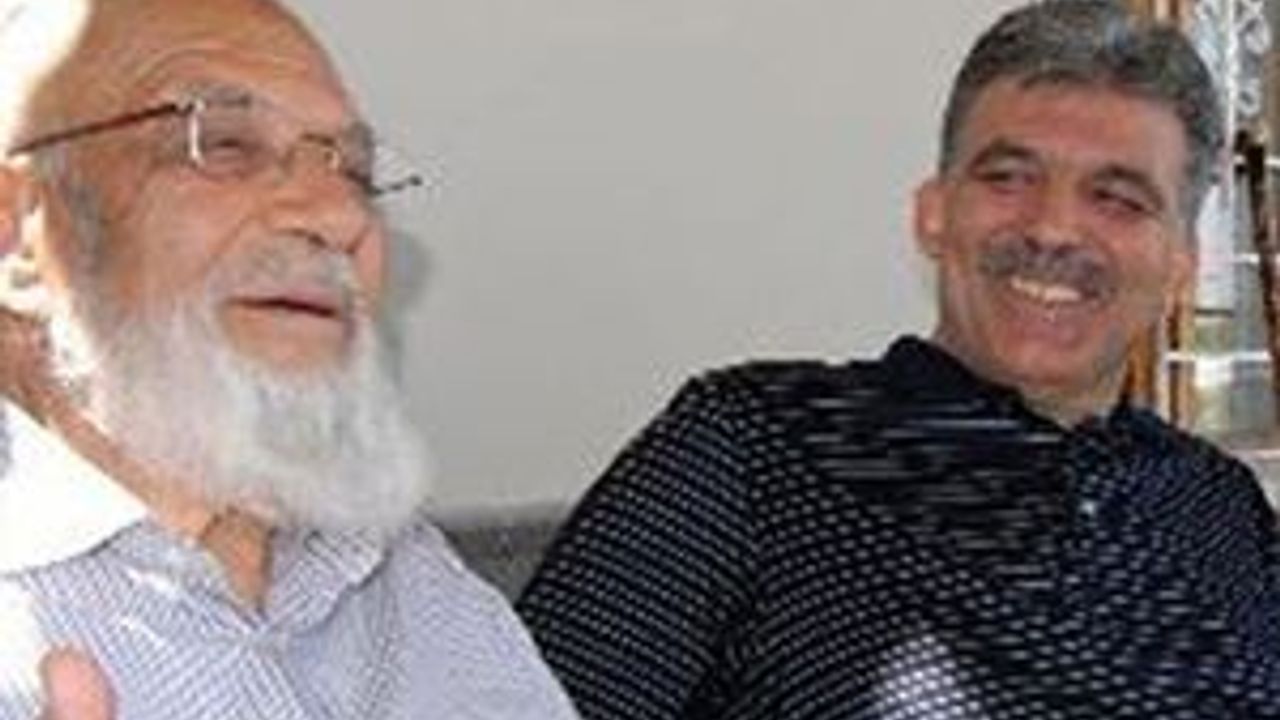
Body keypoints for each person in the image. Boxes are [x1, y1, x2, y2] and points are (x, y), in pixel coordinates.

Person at [517, 1, 1280, 717]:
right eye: (1009, 178)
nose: (1052, 229)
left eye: (1117, 199)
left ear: (1181, 265)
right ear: (934, 215)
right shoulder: (751, 445)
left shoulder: (1220, 509)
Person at [0, 0, 577, 718]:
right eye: (225, 145)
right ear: (18, 238)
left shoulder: (402, 573)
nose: (341, 217)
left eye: (355, 173)